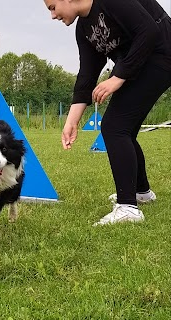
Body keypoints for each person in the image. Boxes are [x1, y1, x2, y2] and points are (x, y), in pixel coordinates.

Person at [44, 0, 171, 225]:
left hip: (162, 53)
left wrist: (118, 77)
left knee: (114, 126)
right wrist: (72, 121)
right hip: (140, 64)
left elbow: (149, 30)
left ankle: (128, 207)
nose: (52, 16)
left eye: (53, 7)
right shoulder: (83, 29)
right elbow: (87, 74)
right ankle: (141, 193)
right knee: (124, 129)